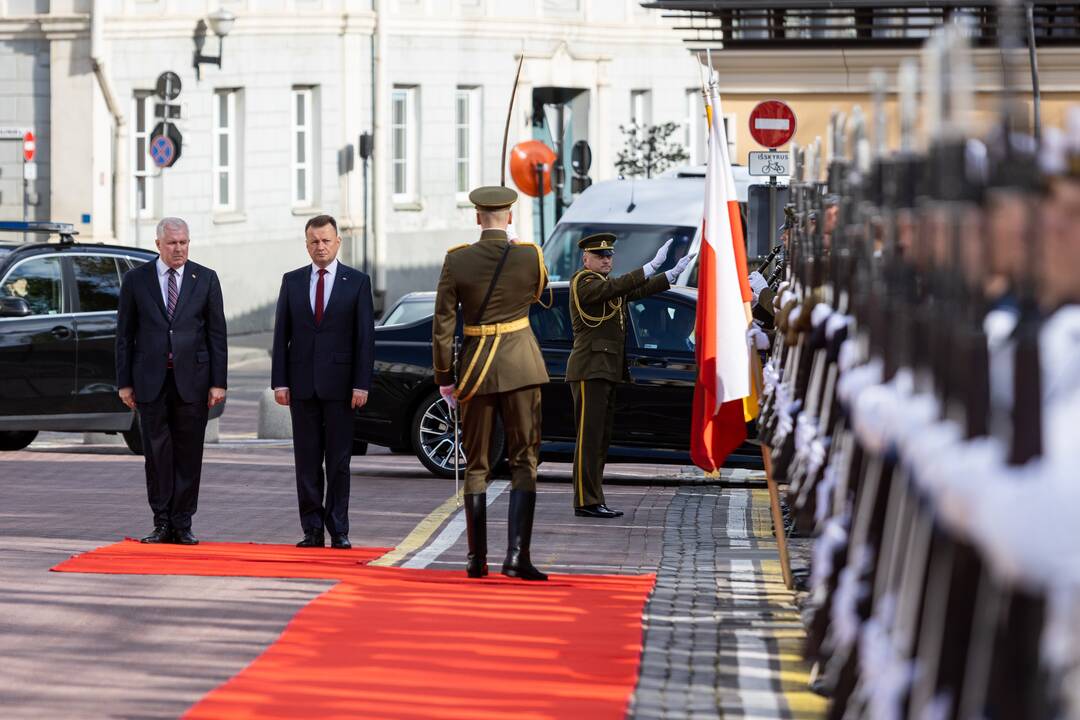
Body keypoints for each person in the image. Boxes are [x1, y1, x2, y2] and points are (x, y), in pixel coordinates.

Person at [433, 185, 550, 581]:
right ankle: (517, 557)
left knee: (477, 464)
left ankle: (475, 559)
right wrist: (516, 249)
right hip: (520, 365)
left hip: (475, 368)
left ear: (477, 218)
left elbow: (443, 326)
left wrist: (445, 379)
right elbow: (539, 293)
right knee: (524, 460)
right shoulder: (529, 255)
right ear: (510, 217)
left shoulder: (457, 260)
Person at [116, 217, 227, 545]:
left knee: (189, 453)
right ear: (158, 245)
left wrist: (218, 382)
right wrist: (124, 383)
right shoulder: (137, 280)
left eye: (184, 243)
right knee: (156, 454)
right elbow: (124, 335)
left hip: (193, 381)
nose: (179, 249)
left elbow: (217, 334)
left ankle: (183, 522)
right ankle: (161, 522)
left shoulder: (205, 279)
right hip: (150, 382)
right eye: (172, 243)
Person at [567, 234, 694, 518]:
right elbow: (619, 286)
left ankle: (592, 498)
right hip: (590, 369)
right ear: (585, 258)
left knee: (600, 439)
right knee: (589, 438)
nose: (606, 260)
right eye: (600, 256)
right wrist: (649, 266)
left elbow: (637, 291)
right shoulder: (583, 283)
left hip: (606, 369)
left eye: (609, 256)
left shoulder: (608, 287)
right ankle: (585, 501)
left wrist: (670, 274)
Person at [271, 215, 375, 550]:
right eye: (314, 241)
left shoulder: (357, 282)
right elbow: (281, 336)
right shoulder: (292, 281)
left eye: (326, 241)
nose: (320, 247)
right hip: (301, 387)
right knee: (307, 461)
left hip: (343, 388)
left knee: (339, 462)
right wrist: (280, 383)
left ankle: (339, 529)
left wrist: (362, 384)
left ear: (337, 242)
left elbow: (365, 339)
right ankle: (312, 529)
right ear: (306, 244)